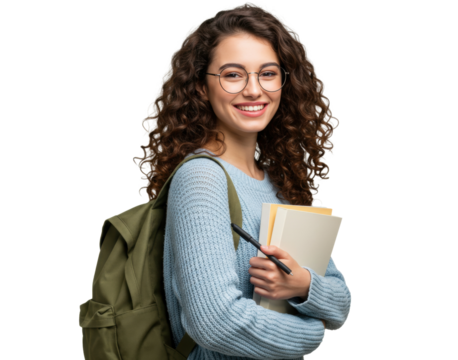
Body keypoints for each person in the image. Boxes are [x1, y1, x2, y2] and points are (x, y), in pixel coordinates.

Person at [131, 3, 352, 359]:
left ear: (284, 81)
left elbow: (341, 302)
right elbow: (214, 322)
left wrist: (303, 285)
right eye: (233, 75)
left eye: (268, 73)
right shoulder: (201, 178)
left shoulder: (278, 182)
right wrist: (311, 334)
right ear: (202, 87)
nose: (254, 90)